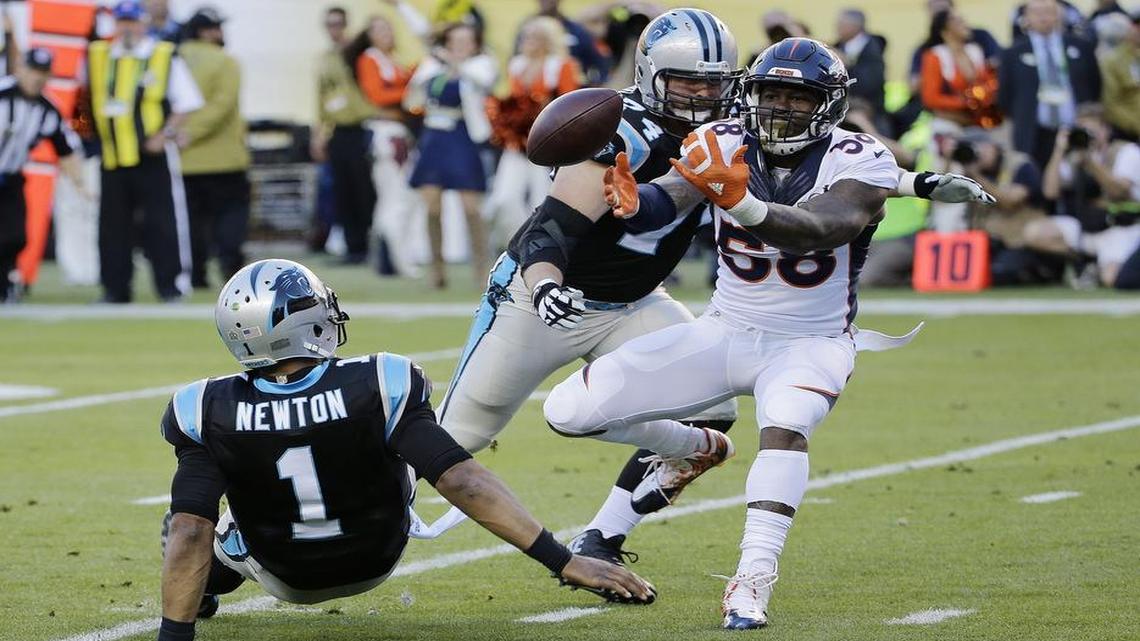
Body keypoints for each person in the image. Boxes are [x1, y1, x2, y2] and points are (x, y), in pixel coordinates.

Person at [542, 38, 994, 629]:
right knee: (568, 411)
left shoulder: (859, 157)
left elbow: (821, 230)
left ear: (827, 105)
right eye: (770, 92)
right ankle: (696, 448)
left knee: (786, 427)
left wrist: (745, 203)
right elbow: (672, 198)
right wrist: (632, 200)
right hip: (727, 329)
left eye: (796, 96)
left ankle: (752, 578)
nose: (780, 107)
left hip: (810, 342)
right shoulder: (723, 140)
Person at [155, 259, 655, 641]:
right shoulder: (380, 380)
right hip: (379, 553)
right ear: (301, 323)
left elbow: (189, 529)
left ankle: (203, 594)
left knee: (190, 523)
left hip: (285, 575)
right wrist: (563, 560)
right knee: (392, 446)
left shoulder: (204, 406)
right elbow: (462, 480)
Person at [439, 9, 745, 567]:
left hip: (634, 303)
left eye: (713, 82)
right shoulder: (615, 125)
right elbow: (549, 232)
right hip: (546, 297)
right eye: (686, 81)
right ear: (652, 74)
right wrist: (547, 287)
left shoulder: (731, 129)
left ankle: (602, 536)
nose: (701, 94)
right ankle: (266, 538)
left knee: (714, 403)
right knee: (452, 440)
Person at [88, 0, 204, 303]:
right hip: (113, 156)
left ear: (144, 23)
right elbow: (82, 98)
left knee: (162, 224)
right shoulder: (99, 54)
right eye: (121, 21)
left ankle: (170, 286)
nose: (126, 28)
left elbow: (187, 102)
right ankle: (115, 288)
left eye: (132, 21)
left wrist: (164, 134)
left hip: (151, 157)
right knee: (112, 227)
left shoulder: (162, 55)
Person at [404, 22, 496, 288]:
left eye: (466, 40)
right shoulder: (432, 64)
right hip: (434, 136)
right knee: (432, 206)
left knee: (471, 208)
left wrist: (454, 63)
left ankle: (481, 269)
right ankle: (437, 269)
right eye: (455, 40)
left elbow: (485, 82)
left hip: (462, 136)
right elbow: (411, 98)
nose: (460, 46)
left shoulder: (481, 64)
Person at [0, 48, 89, 302]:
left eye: (43, 73)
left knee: (15, 237)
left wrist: (80, 183)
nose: (37, 78)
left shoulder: (48, 109)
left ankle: (4, 287)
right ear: (20, 68)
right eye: (33, 71)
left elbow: (65, 149)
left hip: (11, 177)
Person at [484, 16, 580, 250]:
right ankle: (521, 243)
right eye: (526, 37)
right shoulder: (516, 65)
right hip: (516, 143)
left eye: (535, 37)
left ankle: (543, 247)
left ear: (548, 40)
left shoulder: (561, 65)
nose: (528, 42)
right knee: (504, 198)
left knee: (542, 197)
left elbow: (569, 103)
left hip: (547, 142)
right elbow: (512, 103)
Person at [1027, 103, 1140, 287]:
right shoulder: (1076, 155)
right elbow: (1050, 191)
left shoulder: (1126, 152)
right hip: (1087, 226)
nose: (1087, 136)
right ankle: (1086, 262)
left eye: (1091, 130)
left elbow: (1119, 192)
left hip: (1120, 226)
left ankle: (1099, 268)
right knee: (1034, 232)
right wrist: (1059, 150)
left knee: (1112, 279)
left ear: (1106, 129)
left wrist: (1091, 164)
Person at [179, 7, 250, 290]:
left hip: (185, 160)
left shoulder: (173, 59)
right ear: (205, 32)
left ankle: (196, 275)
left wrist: (178, 133)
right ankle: (232, 272)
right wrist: (192, 131)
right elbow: (222, 105)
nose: (221, 33)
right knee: (230, 217)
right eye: (216, 28)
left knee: (192, 224)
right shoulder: (226, 61)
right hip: (225, 159)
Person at [344, 14, 418, 276]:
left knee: (393, 199)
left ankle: (388, 259)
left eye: (388, 28)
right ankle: (398, 260)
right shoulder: (370, 59)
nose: (386, 34)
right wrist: (411, 91)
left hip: (397, 130)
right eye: (378, 30)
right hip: (386, 133)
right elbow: (377, 95)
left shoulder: (391, 61)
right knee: (395, 198)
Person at [999, 0, 1101, 170]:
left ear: (1059, 15)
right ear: (1026, 18)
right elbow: (1004, 96)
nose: (1043, 17)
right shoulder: (1012, 53)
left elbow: (1094, 85)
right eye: (1037, 12)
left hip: (1076, 129)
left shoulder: (1081, 47)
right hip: (1033, 133)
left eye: (1048, 12)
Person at [313, 5, 378, 265]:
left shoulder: (358, 54)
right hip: (338, 130)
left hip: (362, 126)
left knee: (364, 190)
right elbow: (321, 99)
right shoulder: (325, 59)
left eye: (338, 23)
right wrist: (319, 134)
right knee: (343, 191)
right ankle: (353, 247)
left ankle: (366, 243)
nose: (334, 29)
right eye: (330, 24)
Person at [919, 9, 1001, 130]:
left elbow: (987, 84)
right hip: (950, 120)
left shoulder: (975, 51)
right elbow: (931, 98)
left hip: (980, 119)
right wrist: (965, 103)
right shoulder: (935, 56)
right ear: (944, 31)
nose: (964, 23)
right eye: (956, 20)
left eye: (963, 19)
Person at [834, 9, 886, 125]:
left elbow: (870, 82)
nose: (837, 28)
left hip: (870, 112)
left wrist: (848, 65)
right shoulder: (839, 46)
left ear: (855, 26)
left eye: (841, 24)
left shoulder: (873, 48)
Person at [1100, 13, 1140, 139]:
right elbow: (1111, 104)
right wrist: (1136, 125)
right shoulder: (1113, 61)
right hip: (1128, 132)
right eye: (1137, 26)